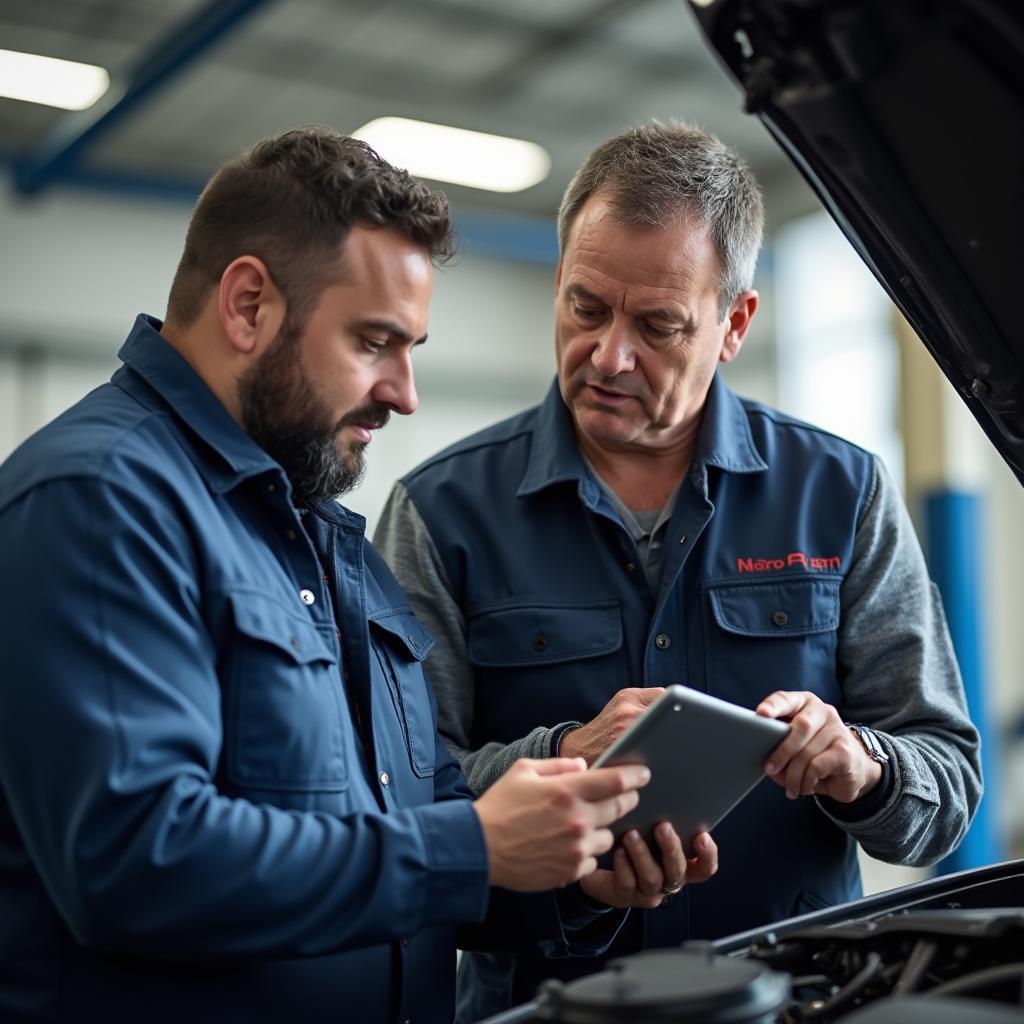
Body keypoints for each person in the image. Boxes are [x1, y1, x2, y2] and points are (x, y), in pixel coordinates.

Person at [0, 127, 720, 1024]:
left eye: (411, 347)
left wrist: (571, 873)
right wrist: (470, 847)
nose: (404, 391)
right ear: (249, 304)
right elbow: (134, 863)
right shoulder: (100, 501)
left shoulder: (321, 532)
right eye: (376, 342)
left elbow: (406, 829)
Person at [374, 120, 983, 1020]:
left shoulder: (840, 494)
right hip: (552, 1004)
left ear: (735, 323)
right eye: (586, 308)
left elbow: (949, 787)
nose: (610, 355)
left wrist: (862, 765)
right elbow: (400, 802)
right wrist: (560, 764)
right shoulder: (439, 513)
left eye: (659, 325)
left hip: (798, 1000)